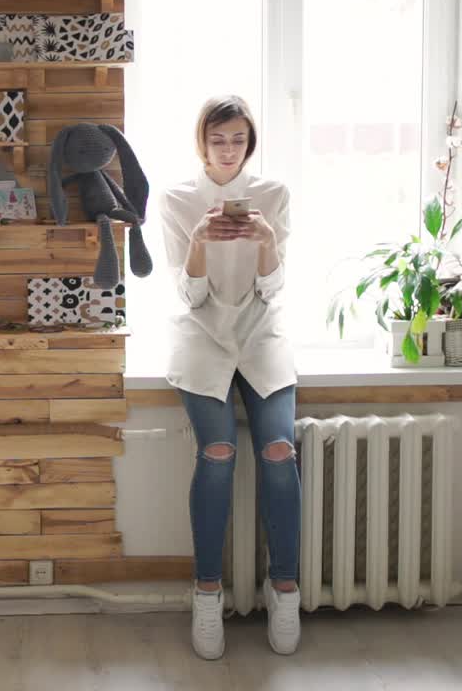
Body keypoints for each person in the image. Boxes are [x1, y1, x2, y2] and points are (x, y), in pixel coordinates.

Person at [158, 95, 301, 660]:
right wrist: (198, 242)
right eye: (217, 140)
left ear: (250, 142)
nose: (227, 150)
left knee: (279, 451)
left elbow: (272, 290)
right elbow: (190, 295)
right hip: (202, 336)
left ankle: (284, 588)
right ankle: (206, 592)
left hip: (262, 333)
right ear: (202, 142)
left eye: (237, 140)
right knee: (217, 451)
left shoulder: (274, 196)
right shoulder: (177, 199)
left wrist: (266, 242)